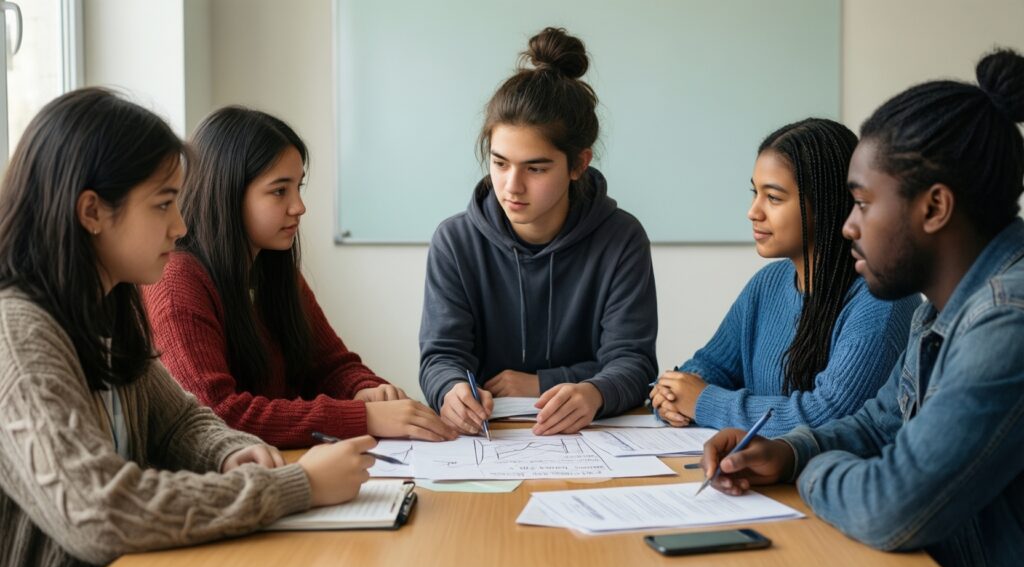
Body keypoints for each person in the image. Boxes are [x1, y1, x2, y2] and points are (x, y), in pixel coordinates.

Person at [0, 88, 376, 567]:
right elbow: (98, 512)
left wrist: (228, 452)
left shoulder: (108, 305)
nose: (180, 226)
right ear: (91, 212)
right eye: (163, 204)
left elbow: (179, 418)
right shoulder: (18, 332)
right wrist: (294, 485)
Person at [700, 49, 1024, 567]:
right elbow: (877, 426)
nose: (848, 226)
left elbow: (889, 507)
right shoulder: (939, 312)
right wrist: (787, 451)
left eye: (864, 204)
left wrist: (809, 471)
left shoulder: (1008, 321)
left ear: (934, 207)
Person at [143, 107, 456, 448]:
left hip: (280, 466)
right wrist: (364, 417)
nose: (299, 206)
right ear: (228, 192)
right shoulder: (177, 282)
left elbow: (330, 365)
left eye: (298, 187)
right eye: (280, 191)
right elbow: (218, 414)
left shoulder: (272, 268)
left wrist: (365, 389)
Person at [419, 27, 658, 436]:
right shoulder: (454, 242)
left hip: (589, 438)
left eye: (536, 168)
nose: (512, 185)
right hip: (491, 440)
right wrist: (450, 389)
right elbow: (442, 356)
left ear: (578, 164)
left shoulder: (621, 238)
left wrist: (586, 390)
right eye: (499, 163)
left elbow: (632, 362)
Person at [650, 119, 918, 436]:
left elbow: (829, 415)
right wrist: (671, 392)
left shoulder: (883, 299)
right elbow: (712, 366)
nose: (753, 211)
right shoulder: (768, 283)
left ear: (826, 204)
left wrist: (703, 402)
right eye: (755, 192)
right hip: (766, 477)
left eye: (774, 198)